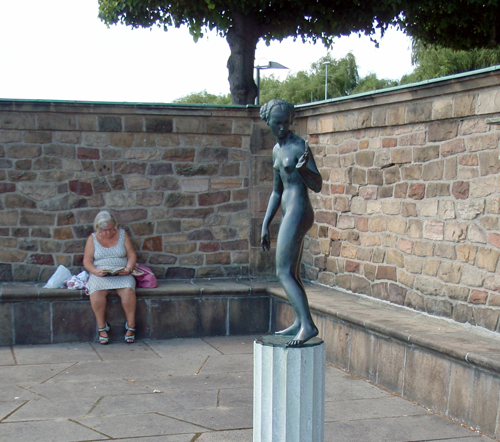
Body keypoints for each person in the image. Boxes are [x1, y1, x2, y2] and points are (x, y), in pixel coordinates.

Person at [260, 99, 323, 347]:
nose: (283, 127)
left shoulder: (299, 147)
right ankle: (299, 321)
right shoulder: (277, 150)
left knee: (282, 271)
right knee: (291, 272)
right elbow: (276, 191)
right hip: (288, 211)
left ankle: (308, 325)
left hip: (300, 210)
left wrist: (305, 169)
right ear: (269, 123)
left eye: (287, 122)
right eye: (278, 123)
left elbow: (317, 185)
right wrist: (265, 224)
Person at [83, 210, 137, 344]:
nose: (109, 232)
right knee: (96, 291)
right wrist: (95, 271)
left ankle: (131, 325)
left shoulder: (122, 234)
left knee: (128, 290)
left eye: (111, 229)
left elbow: (131, 255)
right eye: (105, 230)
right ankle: (102, 327)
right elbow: (87, 261)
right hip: (100, 273)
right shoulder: (93, 238)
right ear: (98, 228)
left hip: (121, 272)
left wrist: (128, 268)